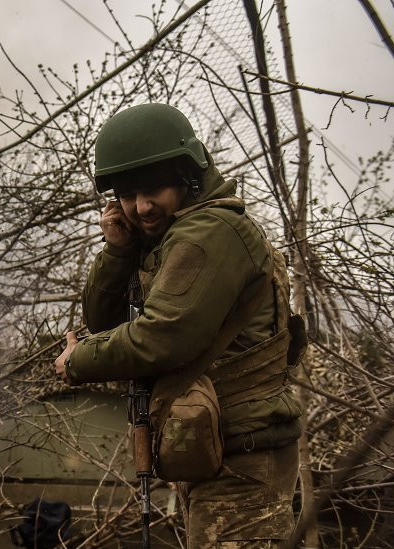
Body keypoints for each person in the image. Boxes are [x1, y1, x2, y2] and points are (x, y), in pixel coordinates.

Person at [54, 103, 303, 548]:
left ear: (188, 177)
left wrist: (79, 360)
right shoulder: (168, 237)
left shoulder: (209, 233)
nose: (141, 206)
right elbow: (103, 320)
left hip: (245, 458)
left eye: (152, 191)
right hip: (217, 451)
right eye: (127, 196)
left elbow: (160, 338)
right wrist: (117, 251)